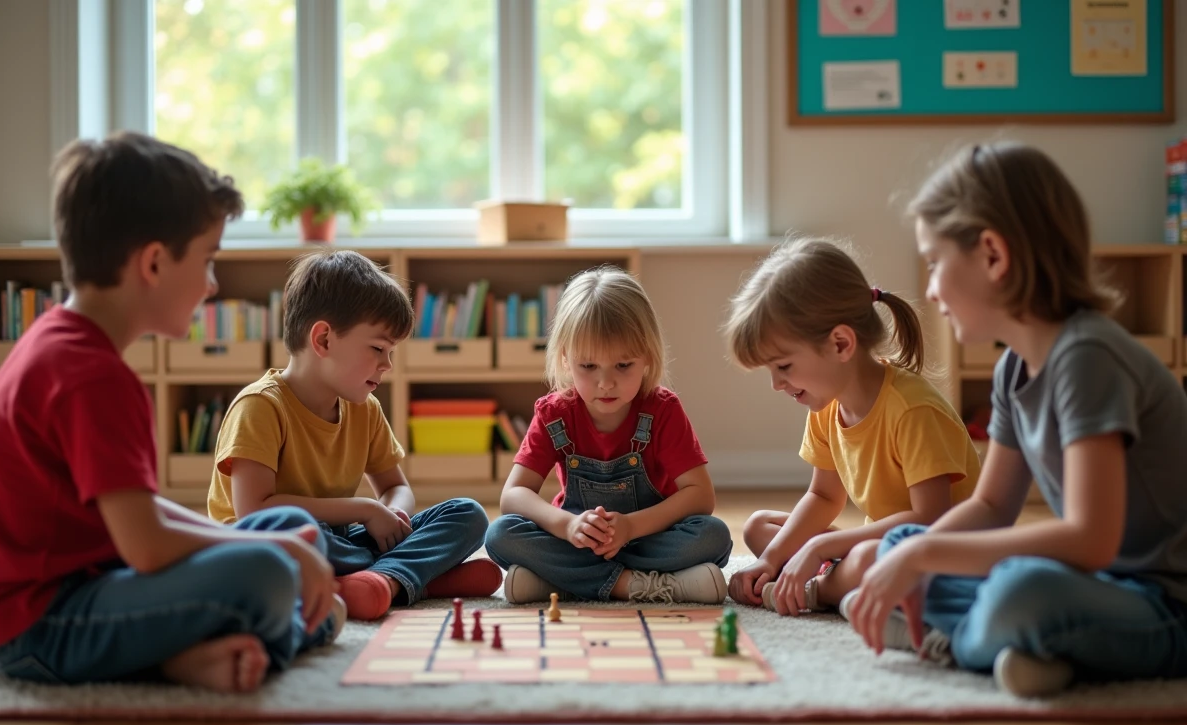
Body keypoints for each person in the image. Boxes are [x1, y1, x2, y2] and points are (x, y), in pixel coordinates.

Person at [0, 132, 341, 693]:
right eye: (206, 260)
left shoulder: (60, 341)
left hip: (93, 582)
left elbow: (138, 509)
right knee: (270, 569)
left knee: (295, 533)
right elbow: (147, 546)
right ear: (153, 263)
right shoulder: (92, 375)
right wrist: (271, 552)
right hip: (45, 626)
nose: (211, 283)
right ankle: (256, 642)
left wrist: (276, 541)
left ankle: (195, 650)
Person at [846, 141, 1187, 697]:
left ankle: (961, 638)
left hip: (1163, 605)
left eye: (934, 262)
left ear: (993, 255)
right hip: (1091, 587)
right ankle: (1026, 648)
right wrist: (912, 552)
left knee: (1017, 590)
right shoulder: (1012, 369)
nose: (930, 289)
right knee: (895, 546)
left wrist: (926, 555)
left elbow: (1090, 538)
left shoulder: (1088, 356)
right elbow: (990, 506)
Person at [208, 249, 498, 620]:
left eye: (391, 351)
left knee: (468, 514)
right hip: (265, 550)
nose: (388, 364)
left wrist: (392, 514)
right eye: (378, 348)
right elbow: (254, 513)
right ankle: (410, 578)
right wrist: (364, 509)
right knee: (293, 528)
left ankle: (377, 580)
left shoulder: (365, 408)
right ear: (324, 340)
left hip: (342, 542)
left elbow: (396, 486)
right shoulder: (260, 406)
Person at [723, 236, 980, 617]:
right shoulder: (826, 407)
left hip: (943, 551)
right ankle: (834, 580)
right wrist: (773, 557)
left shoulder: (912, 410)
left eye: (783, 367)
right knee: (760, 528)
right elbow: (825, 497)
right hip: (882, 542)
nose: (777, 384)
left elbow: (930, 520)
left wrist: (820, 549)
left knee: (860, 559)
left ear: (841, 344)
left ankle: (820, 590)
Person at [485, 266, 731, 603]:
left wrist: (630, 527)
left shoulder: (662, 410)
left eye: (623, 365)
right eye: (588, 367)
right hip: (577, 541)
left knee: (712, 536)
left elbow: (701, 496)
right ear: (566, 360)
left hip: (645, 537)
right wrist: (566, 526)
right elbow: (513, 495)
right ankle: (638, 585)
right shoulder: (554, 414)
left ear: (647, 357)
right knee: (501, 533)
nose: (606, 383)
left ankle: (561, 580)